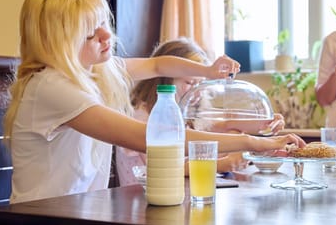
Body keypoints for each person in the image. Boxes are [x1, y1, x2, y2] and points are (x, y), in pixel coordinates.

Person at [3, 0, 305, 203]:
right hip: (41, 215)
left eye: (104, 24)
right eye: (91, 32)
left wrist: (208, 71)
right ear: (61, 42)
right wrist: (252, 142)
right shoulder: (51, 86)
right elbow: (148, 138)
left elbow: (160, 64)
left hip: (77, 210)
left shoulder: (91, 72)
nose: (108, 35)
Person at [116, 37, 286, 186]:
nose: (196, 92)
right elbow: (164, 169)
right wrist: (222, 164)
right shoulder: (143, 115)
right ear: (163, 80)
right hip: (139, 199)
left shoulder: (183, 114)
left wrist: (264, 123)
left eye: (200, 84)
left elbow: (220, 127)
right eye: (189, 83)